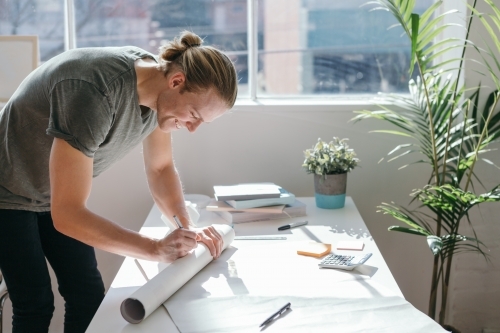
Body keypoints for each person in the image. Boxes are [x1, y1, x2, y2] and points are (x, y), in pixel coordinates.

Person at [0, 30, 238, 333]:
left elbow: (161, 168)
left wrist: (185, 229)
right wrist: (154, 248)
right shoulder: (94, 92)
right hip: (6, 190)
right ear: (176, 81)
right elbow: (68, 214)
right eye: (194, 115)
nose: (192, 128)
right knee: (34, 302)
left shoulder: (158, 94)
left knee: (87, 296)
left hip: (49, 193)